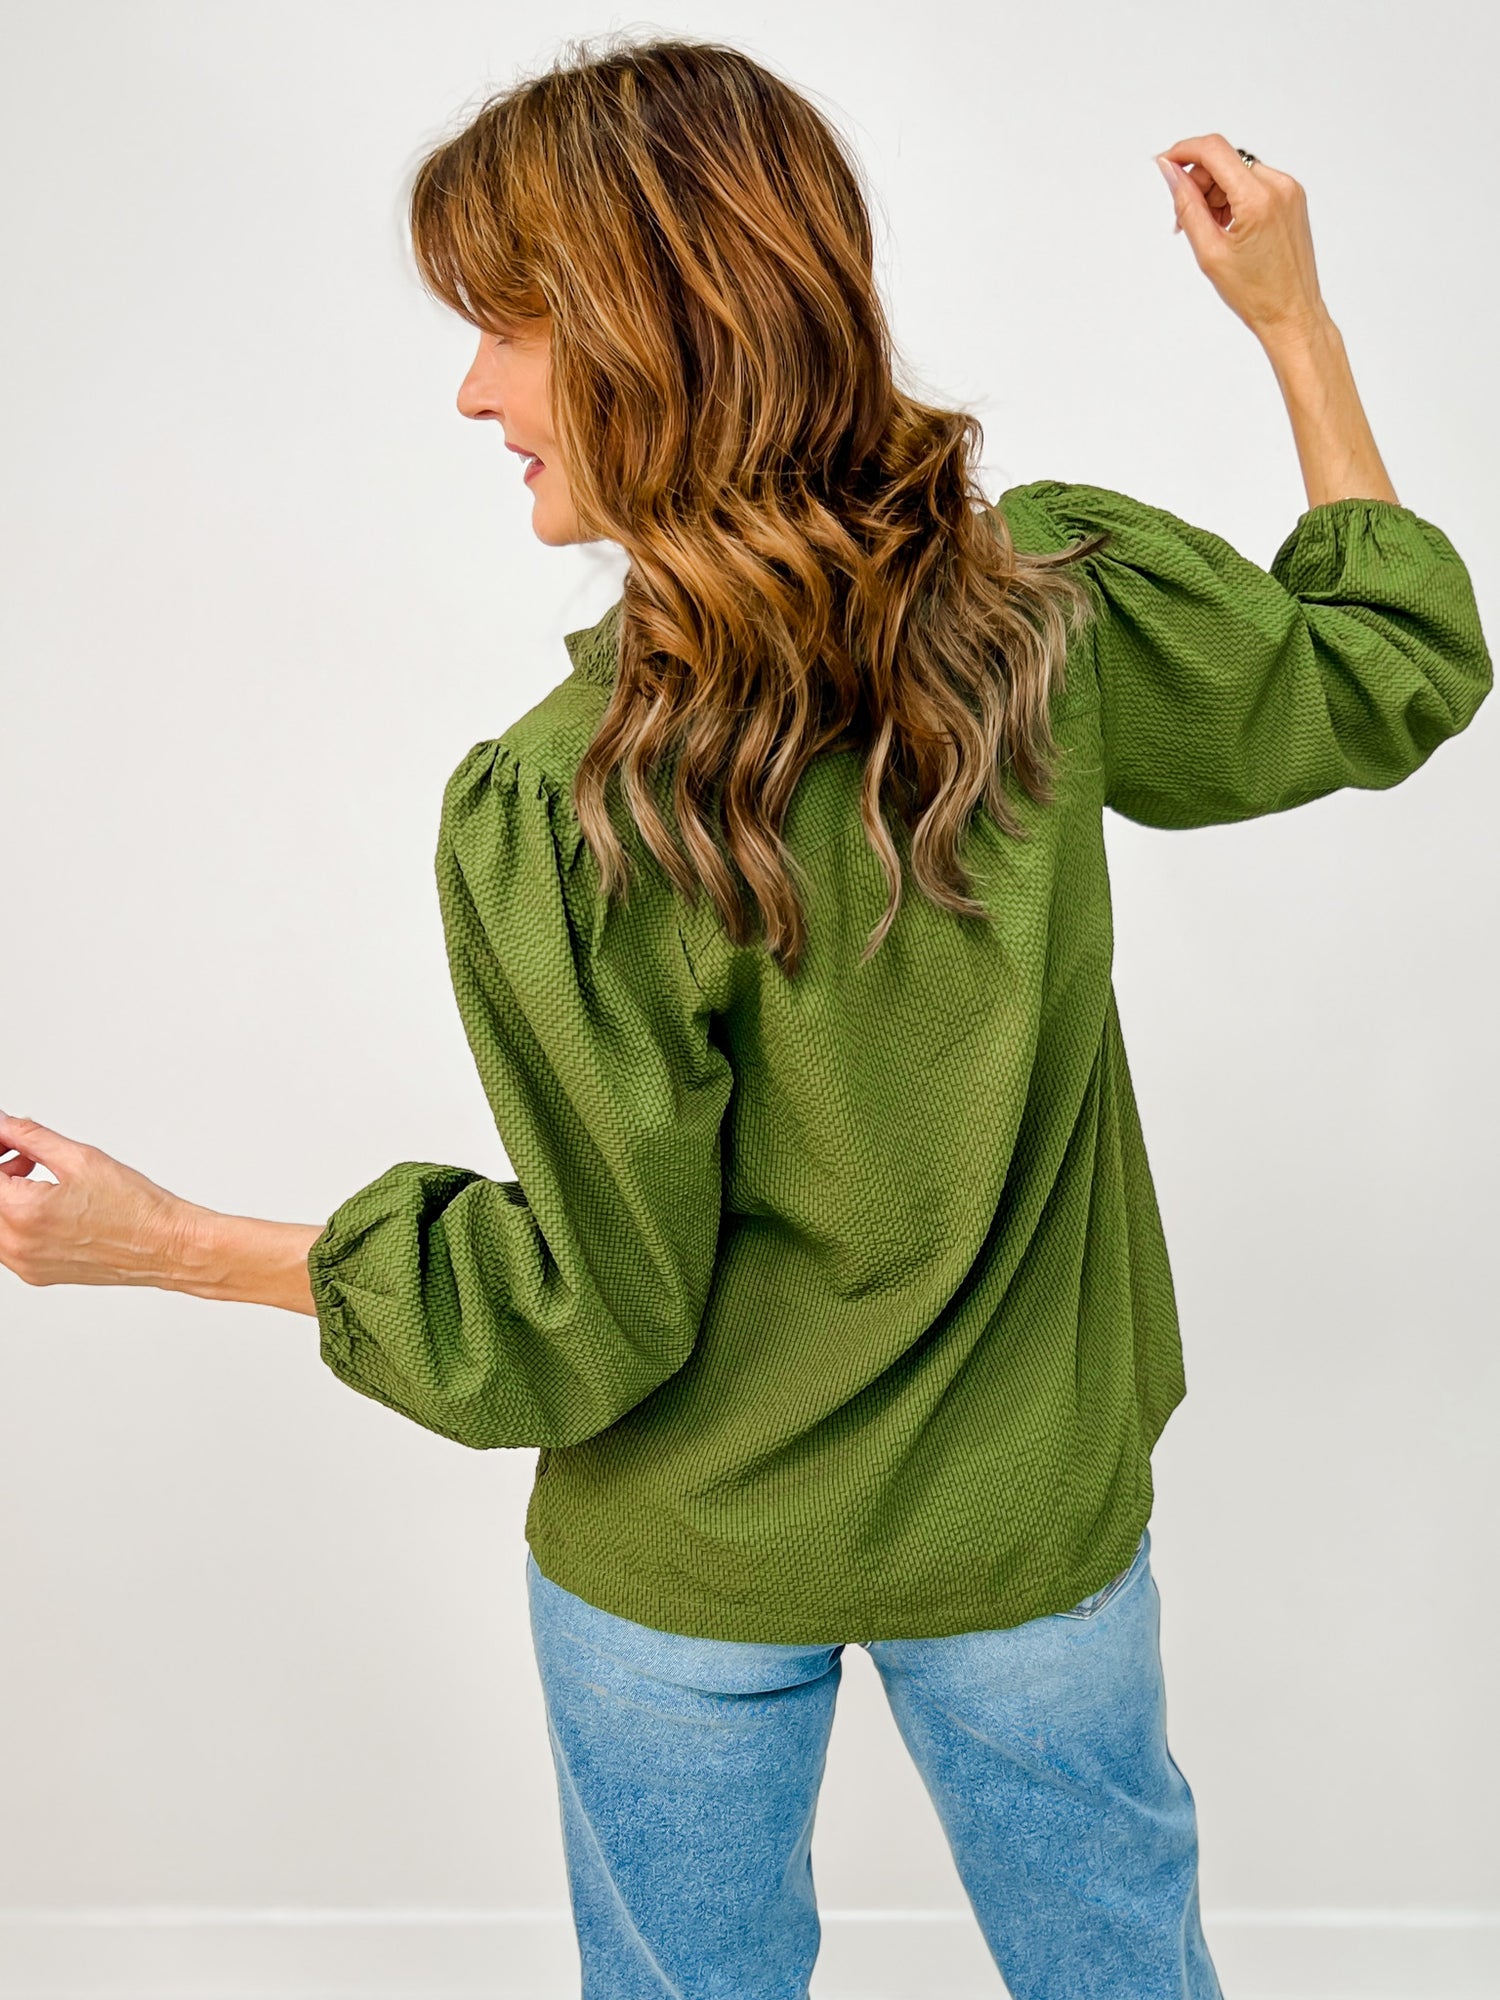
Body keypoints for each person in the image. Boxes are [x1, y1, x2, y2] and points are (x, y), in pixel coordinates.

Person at [0, 31, 1490, 2000]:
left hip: (681, 1568)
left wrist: (167, 1243)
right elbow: (1390, 667)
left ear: (659, 336)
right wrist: (1293, 321)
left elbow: (585, 1318)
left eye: (509, 326)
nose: (472, 390)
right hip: (1029, 1525)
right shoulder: (1055, 615)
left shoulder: (563, 802)